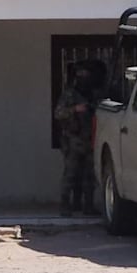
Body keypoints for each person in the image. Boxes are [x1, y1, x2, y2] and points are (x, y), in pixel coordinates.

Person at [53, 61, 101, 217]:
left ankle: (88, 206)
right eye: (81, 75)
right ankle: (66, 206)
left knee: (89, 175)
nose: (84, 78)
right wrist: (75, 109)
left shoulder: (94, 94)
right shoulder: (69, 94)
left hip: (90, 140)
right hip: (73, 139)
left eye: (86, 75)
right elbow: (58, 113)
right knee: (71, 175)